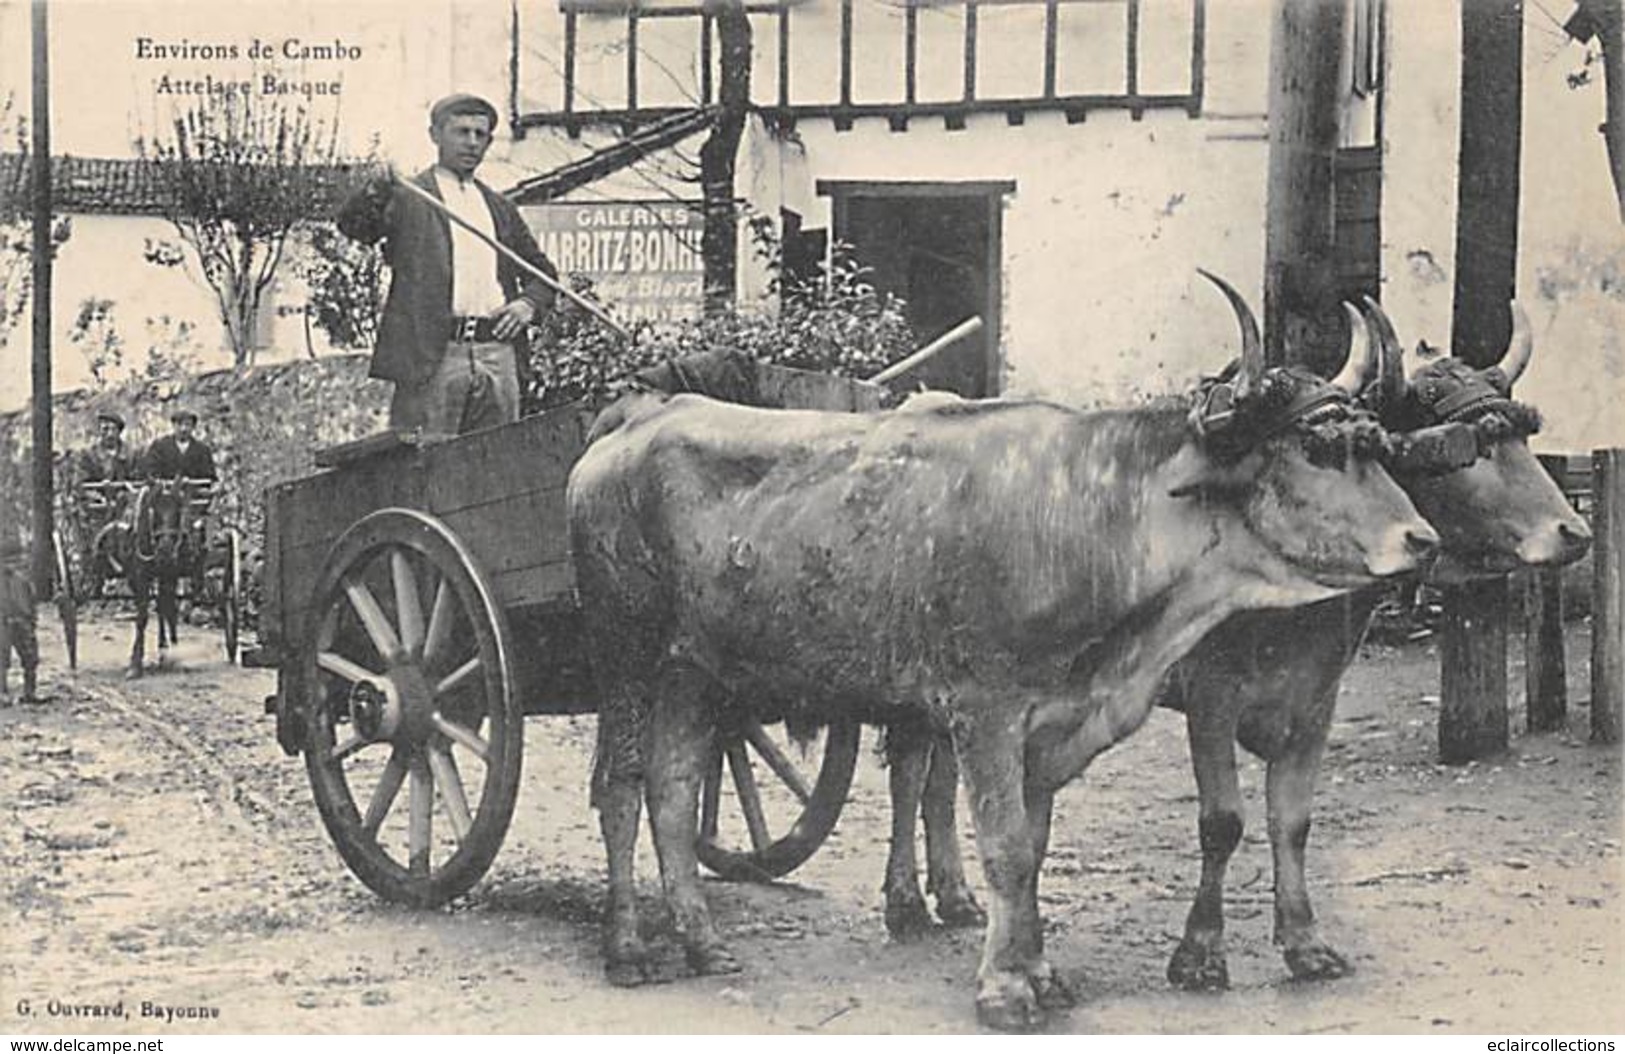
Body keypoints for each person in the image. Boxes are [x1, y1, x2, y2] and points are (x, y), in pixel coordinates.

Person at [338, 92, 559, 436]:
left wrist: (527, 304)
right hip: (434, 357)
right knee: (428, 471)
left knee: (497, 472)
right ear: (435, 135)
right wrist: (377, 188)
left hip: (497, 356)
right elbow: (354, 227)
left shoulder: (499, 207)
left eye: (480, 135)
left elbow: (543, 274)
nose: (472, 142)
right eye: (461, 131)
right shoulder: (408, 197)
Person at [0, 531, 39, 705]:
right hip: (3, 622)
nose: (13, 565)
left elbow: (32, 600)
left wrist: (32, 620)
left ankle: (29, 692)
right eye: (8, 561)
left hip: (22, 621)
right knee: (2, 659)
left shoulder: (24, 579)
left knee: (30, 658)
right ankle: (2, 693)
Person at [143, 408, 217, 482]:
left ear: (193, 427)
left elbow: (209, 477)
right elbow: (151, 472)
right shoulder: (159, 447)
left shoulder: (202, 450)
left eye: (187, 425)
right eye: (179, 424)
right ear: (173, 425)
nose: (183, 429)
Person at [78, 411, 136, 484]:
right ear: (99, 431)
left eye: (114, 429)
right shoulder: (89, 455)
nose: (110, 434)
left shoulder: (131, 454)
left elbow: (137, 481)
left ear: (119, 432)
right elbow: (82, 485)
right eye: (105, 429)